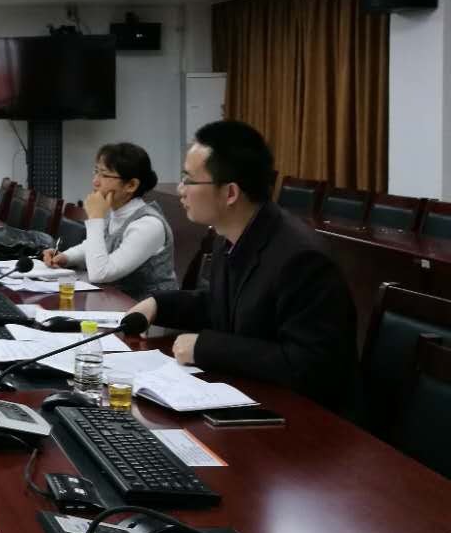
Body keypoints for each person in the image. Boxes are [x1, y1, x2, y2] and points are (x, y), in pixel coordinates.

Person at [126, 120, 358, 412]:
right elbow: (220, 305)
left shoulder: (301, 259)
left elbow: (310, 364)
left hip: (304, 419)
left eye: (189, 180)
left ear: (230, 193)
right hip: (252, 397)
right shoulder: (230, 237)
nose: (181, 190)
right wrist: (157, 304)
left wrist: (206, 348)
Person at [41, 142, 177, 299]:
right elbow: (97, 246)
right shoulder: (115, 212)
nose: (95, 182)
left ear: (131, 185)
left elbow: (101, 274)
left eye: (104, 175)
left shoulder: (148, 225)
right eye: (96, 172)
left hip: (150, 310)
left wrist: (94, 218)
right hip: (116, 303)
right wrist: (66, 257)